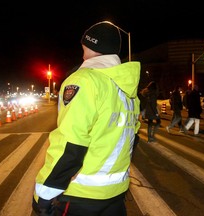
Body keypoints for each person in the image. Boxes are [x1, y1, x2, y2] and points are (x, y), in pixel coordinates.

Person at [32, 21, 141, 216]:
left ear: (91, 45)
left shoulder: (84, 80)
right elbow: (132, 139)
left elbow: (71, 144)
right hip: (115, 195)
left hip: (81, 196)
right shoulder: (128, 91)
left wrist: (45, 192)